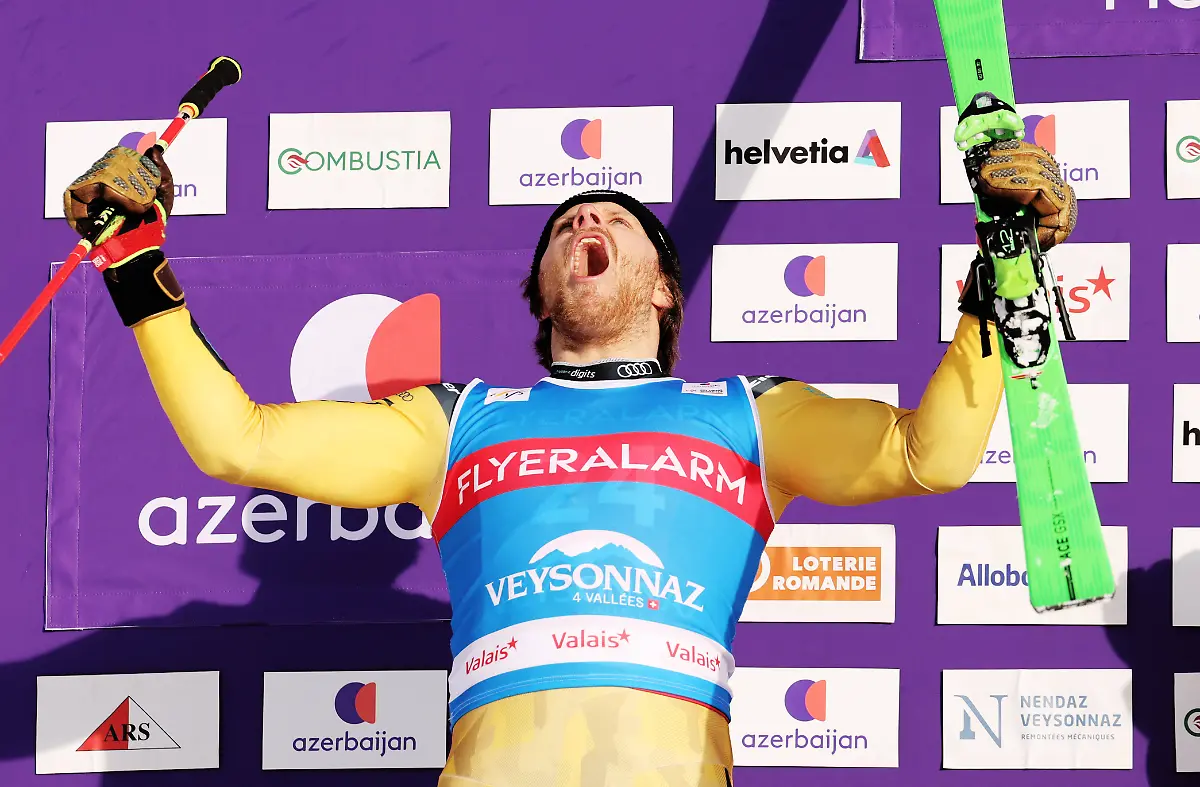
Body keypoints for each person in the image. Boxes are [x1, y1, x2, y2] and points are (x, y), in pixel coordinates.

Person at [62, 136, 1075, 786]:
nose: (587, 220)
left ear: (667, 292)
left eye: (616, 222)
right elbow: (236, 441)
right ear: (541, 293)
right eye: (565, 225)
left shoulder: (749, 414)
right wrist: (131, 262)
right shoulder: (453, 420)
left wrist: (1005, 276)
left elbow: (927, 455)